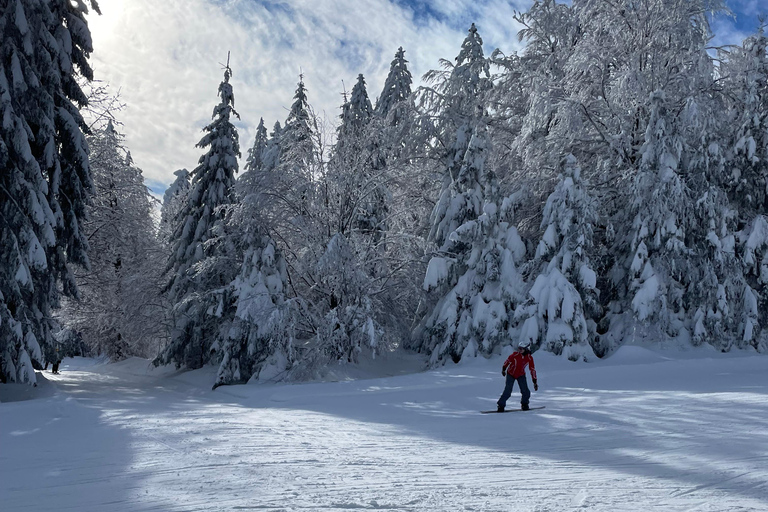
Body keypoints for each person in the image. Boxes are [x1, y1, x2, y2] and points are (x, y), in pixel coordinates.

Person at [497, 340, 538, 412]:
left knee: (526, 392)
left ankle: (525, 404)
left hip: (521, 375)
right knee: (508, 391)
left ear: (526, 349)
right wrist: (504, 369)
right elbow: (507, 361)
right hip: (511, 374)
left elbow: (532, 370)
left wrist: (534, 381)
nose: (519, 350)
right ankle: (501, 405)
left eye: (521, 349)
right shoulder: (515, 355)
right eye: (519, 348)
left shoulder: (529, 358)